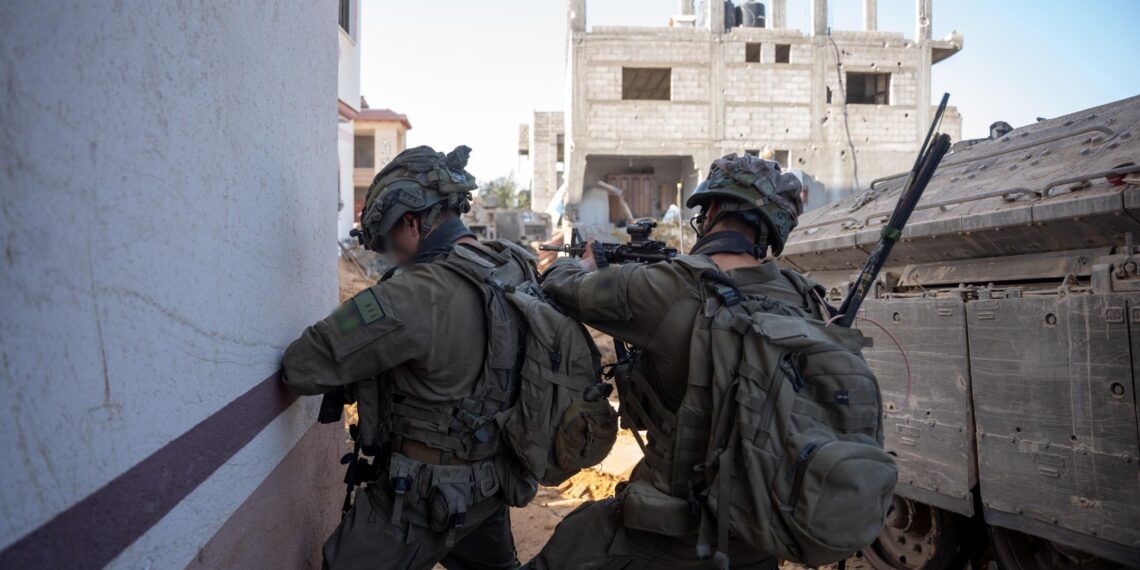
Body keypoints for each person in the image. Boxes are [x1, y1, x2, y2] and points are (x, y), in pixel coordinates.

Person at [528, 153, 817, 570]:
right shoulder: (804, 297)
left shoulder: (672, 286)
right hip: (761, 525)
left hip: (671, 526)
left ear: (711, 211)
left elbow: (562, 285)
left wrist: (582, 261)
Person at [281, 145, 535, 570]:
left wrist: (355, 318)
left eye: (389, 241)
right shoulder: (510, 267)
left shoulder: (411, 293)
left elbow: (302, 365)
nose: (391, 256)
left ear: (413, 222)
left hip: (417, 496)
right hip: (489, 482)